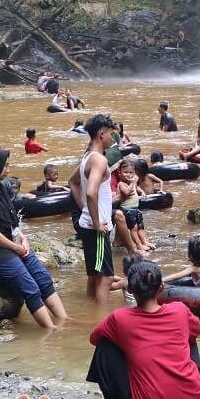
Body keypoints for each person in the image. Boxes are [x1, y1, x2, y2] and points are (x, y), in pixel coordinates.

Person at [87, 260, 200, 399]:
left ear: (130, 289)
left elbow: (94, 338)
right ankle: (192, 385)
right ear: (161, 287)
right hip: (195, 398)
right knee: (190, 334)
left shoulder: (119, 318)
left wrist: (128, 344)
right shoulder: (179, 309)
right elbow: (197, 330)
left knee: (105, 345)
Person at [0, 146, 67, 330]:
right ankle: (50, 329)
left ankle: (64, 319)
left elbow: (11, 220)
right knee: (29, 286)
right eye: (6, 166)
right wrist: (15, 247)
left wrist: (23, 240)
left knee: (42, 278)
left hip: (8, 241)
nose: (9, 170)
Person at [78, 113, 118, 300]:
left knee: (95, 274)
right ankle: (102, 320)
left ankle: (90, 313)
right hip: (97, 228)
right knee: (107, 277)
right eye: (111, 133)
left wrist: (84, 210)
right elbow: (91, 192)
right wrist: (96, 222)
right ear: (102, 133)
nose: (112, 137)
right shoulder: (99, 160)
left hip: (89, 223)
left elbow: (73, 183)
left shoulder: (87, 156)